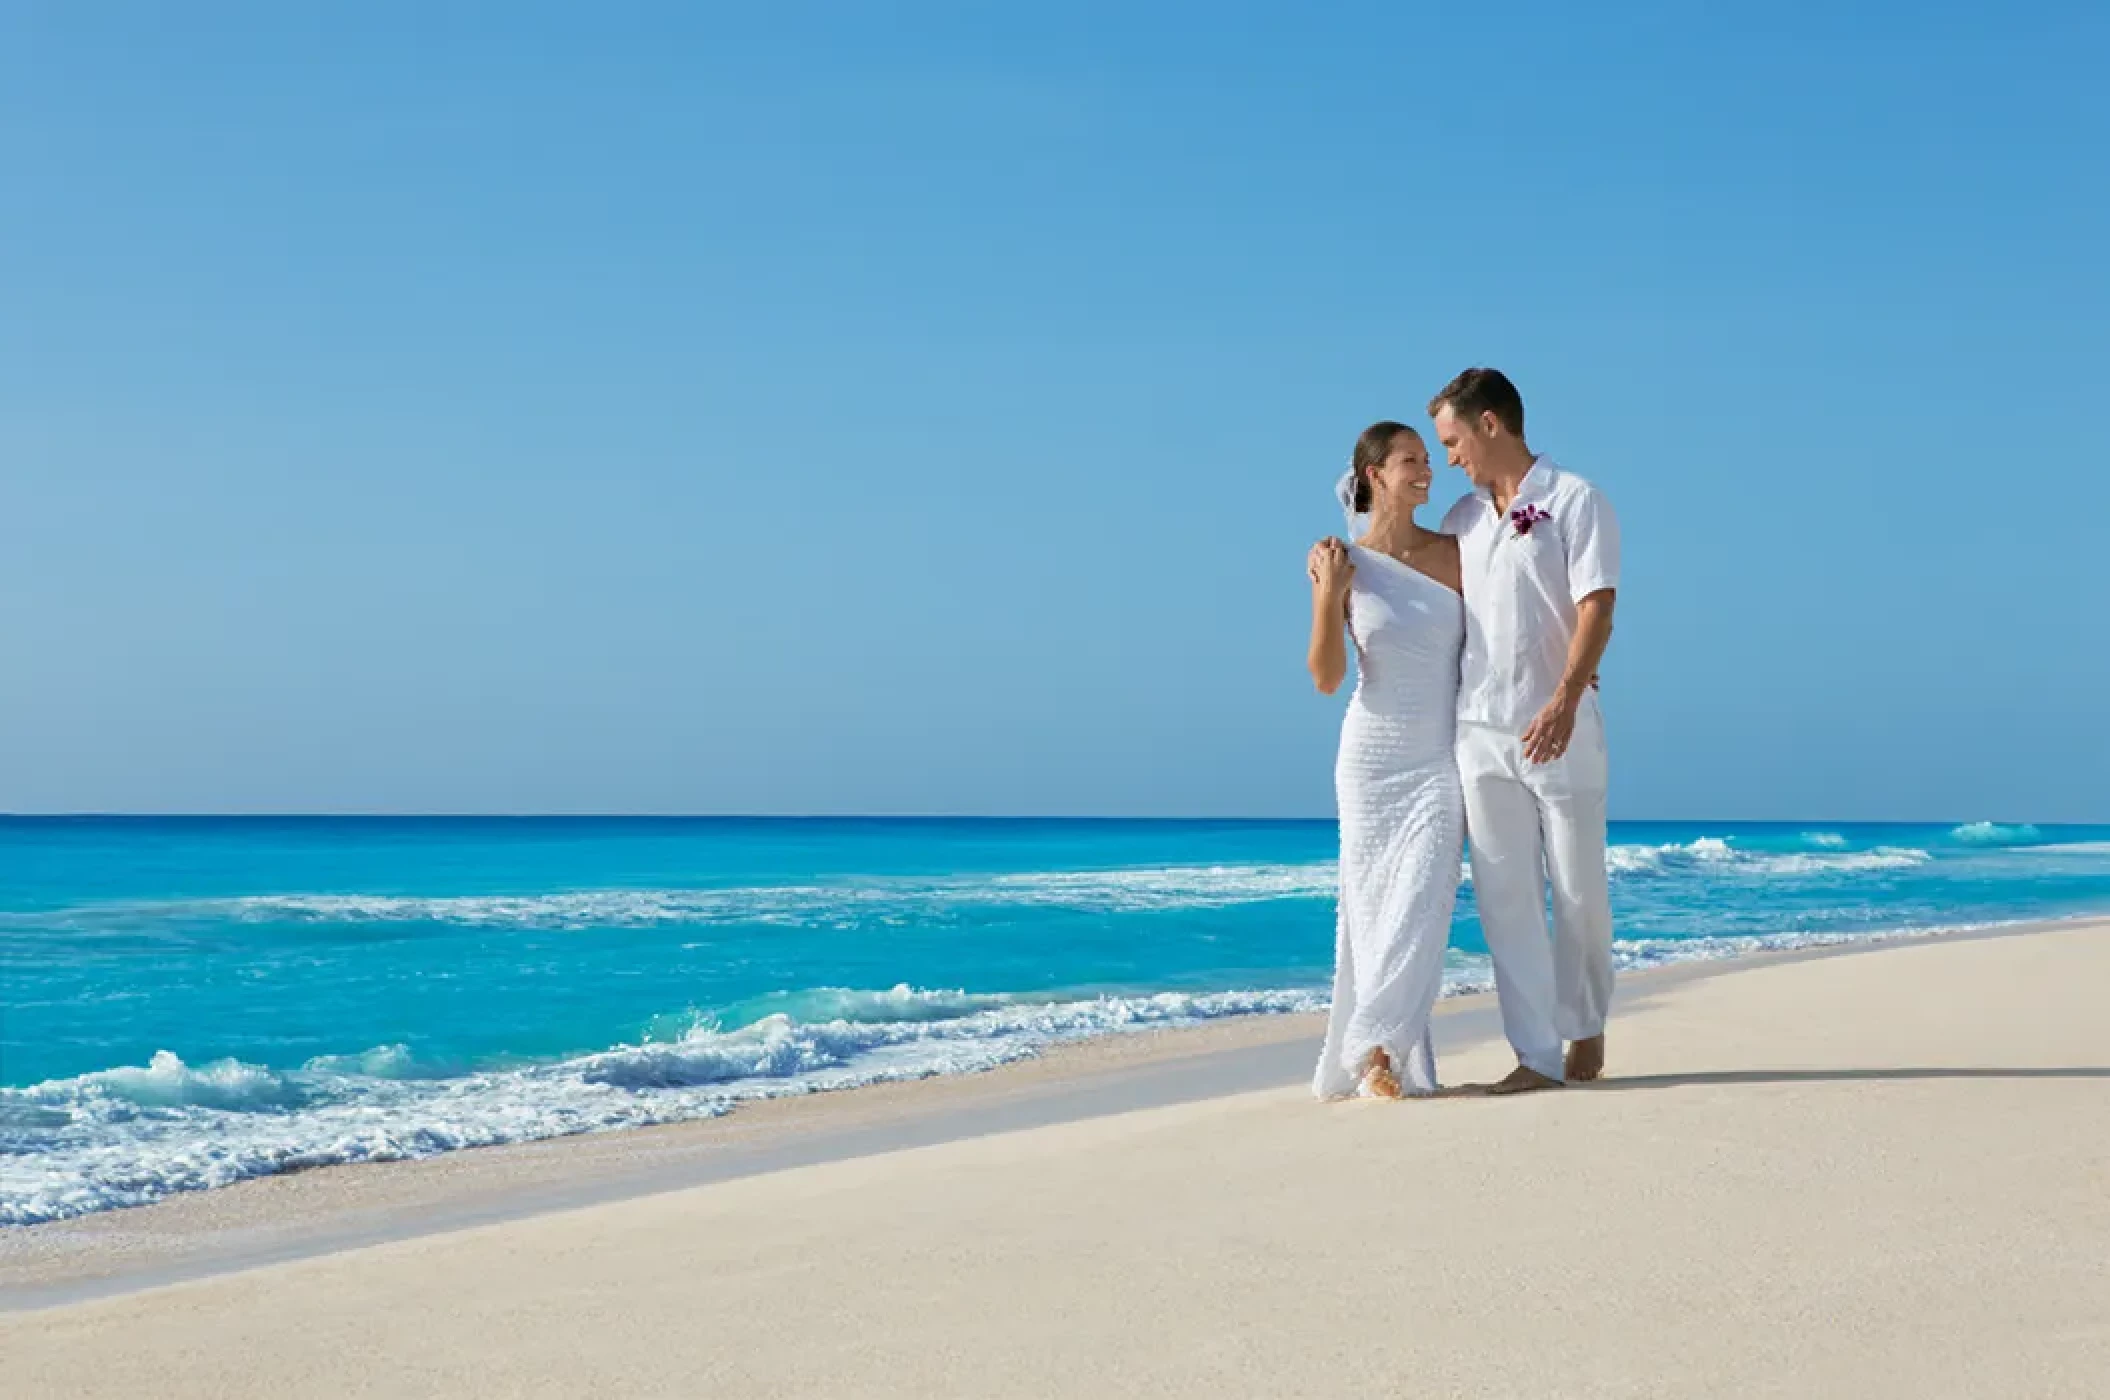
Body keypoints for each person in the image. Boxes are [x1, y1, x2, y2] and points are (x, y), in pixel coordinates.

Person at [1430, 368, 1619, 1094]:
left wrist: (1568, 696)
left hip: (1561, 723)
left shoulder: (1576, 500)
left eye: (1452, 440)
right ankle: (1534, 1055)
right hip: (1478, 729)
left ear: (1489, 425)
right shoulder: (1462, 519)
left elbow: (1597, 607)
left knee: (1578, 891)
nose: (1450, 457)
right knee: (1504, 896)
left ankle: (1585, 1027)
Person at [1307, 422, 1466, 1099]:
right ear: (1374, 474)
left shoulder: (1459, 553)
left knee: (1424, 898)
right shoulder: (1343, 561)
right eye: (1411, 461)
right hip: (1370, 758)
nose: (1427, 472)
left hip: (1438, 757)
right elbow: (1324, 675)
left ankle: (1376, 1043)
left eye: (1430, 460)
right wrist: (1327, 593)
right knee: (1372, 911)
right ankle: (1380, 1060)